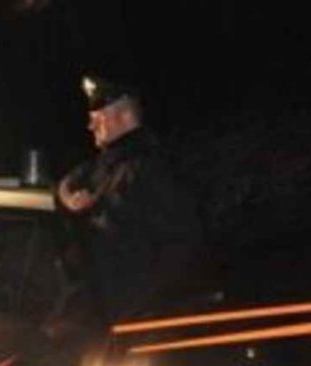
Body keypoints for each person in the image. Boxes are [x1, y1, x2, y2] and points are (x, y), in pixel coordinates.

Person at [56, 74, 203, 322]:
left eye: (97, 119)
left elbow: (181, 248)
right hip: (99, 316)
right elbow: (66, 183)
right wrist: (70, 199)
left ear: (124, 116)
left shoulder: (152, 170)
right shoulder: (106, 164)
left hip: (134, 320)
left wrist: (140, 311)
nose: (90, 127)